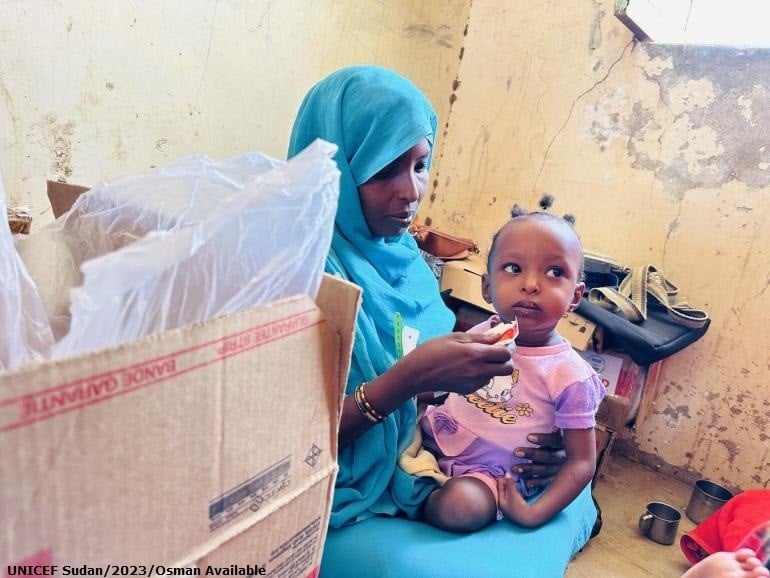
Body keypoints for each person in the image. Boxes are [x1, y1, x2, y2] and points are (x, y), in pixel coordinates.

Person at [288, 65, 598, 577]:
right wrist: (405, 382)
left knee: (573, 495)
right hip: (354, 475)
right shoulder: (296, 273)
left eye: (420, 165)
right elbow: (279, 448)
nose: (411, 192)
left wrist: (534, 440)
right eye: (385, 169)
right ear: (335, 166)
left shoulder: (404, 259)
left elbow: (451, 390)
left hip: (440, 456)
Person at [420, 197, 605, 532]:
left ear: (575, 297)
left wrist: (533, 514)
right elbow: (442, 387)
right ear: (487, 287)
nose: (531, 284)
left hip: (490, 476)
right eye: (514, 268)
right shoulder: (482, 332)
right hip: (434, 435)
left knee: (459, 509)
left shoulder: (571, 376)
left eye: (554, 272)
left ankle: (415, 498)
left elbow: (581, 461)